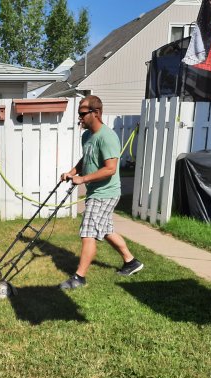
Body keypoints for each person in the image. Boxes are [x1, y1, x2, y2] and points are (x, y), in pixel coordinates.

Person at [59, 95, 143, 290]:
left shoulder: (107, 137)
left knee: (88, 231)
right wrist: (72, 173)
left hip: (105, 193)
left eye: (82, 113)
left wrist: (83, 179)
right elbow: (86, 158)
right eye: (79, 114)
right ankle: (131, 262)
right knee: (105, 230)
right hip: (96, 191)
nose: (80, 118)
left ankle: (79, 277)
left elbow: (110, 169)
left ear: (96, 113)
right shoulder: (87, 136)